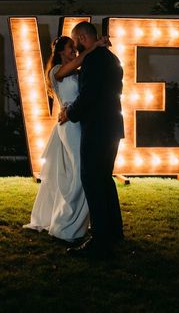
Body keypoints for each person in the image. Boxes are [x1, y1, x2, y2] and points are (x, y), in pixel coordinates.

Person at [23, 34, 109, 242]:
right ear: (61, 51)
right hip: (69, 125)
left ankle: (76, 222)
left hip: (80, 122)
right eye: (71, 48)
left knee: (76, 171)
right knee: (79, 170)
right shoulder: (56, 72)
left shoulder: (78, 72)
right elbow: (80, 60)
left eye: (75, 48)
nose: (74, 51)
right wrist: (94, 46)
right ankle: (65, 224)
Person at [59, 21, 124, 257]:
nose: (75, 48)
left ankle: (99, 240)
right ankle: (114, 232)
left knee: (92, 179)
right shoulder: (111, 58)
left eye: (76, 42)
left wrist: (69, 113)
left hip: (97, 128)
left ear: (83, 38)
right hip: (113, 127)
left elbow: (89, 95)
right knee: (105, 179)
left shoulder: (93, 60)